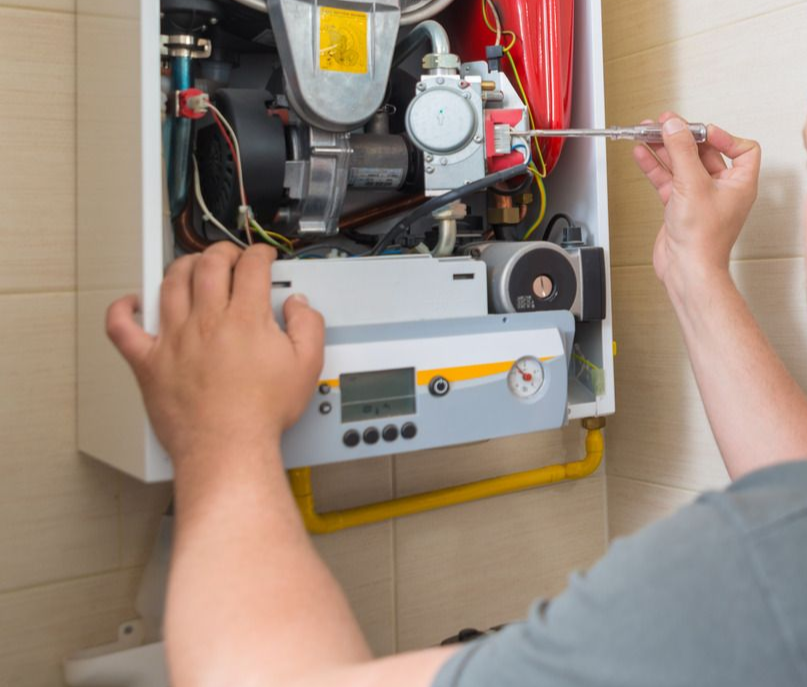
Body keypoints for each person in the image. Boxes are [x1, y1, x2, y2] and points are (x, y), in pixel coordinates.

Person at [106, 113, 807, 687]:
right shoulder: (774, 559)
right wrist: (693, 268)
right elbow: (790, 501)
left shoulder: (735, 584)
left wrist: (222, 438)